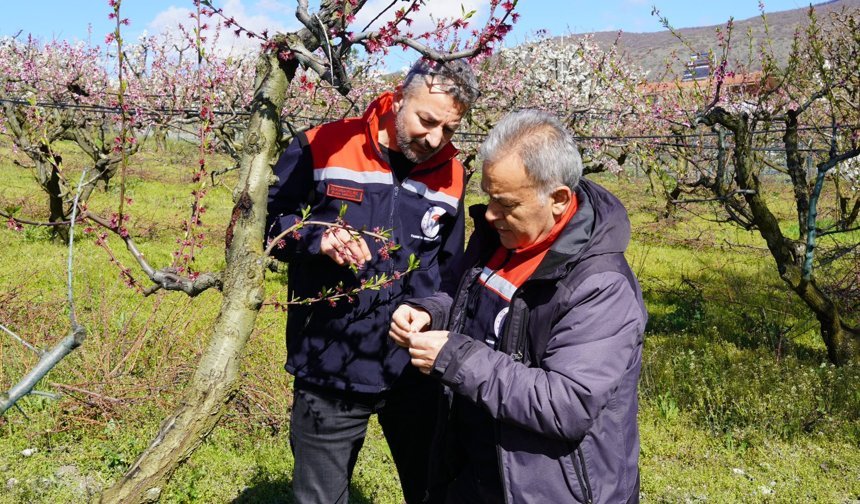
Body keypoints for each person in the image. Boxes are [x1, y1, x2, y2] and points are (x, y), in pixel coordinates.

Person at [390, 109, 646, 503]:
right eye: (489, 197)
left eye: (506, 203)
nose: (491, 214)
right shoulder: (500, 238)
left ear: (558, 199)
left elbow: (565, 404)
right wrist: (430, 312)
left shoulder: (600, 286)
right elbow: (461, 294)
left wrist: (455, 358)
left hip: (546, 487)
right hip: (474, 465)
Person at [266, 59, 478, 503]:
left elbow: (450, 272)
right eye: (427, 121)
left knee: (435, 491)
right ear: (398, 99)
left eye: (450, 129)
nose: (435, 139)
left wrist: (428, 313)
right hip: (329, 366)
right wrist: (316, 238)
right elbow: (264, 226)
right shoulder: (322, 145)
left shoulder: (453, 174)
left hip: (415, 370)